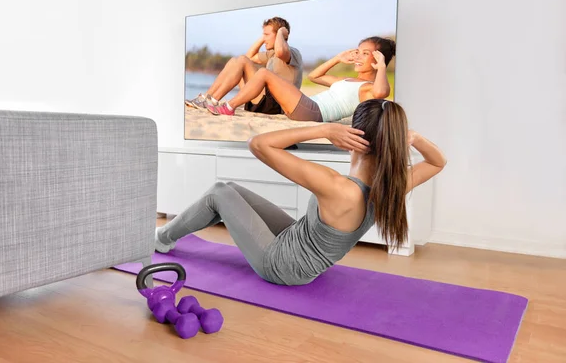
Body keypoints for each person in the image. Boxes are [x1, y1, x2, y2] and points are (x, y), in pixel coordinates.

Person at [155, 99, 447, 286]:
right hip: (300, 249)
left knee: (219, 192)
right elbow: (437, 162)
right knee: (231, 189)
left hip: (282, 266)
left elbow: (258, 144)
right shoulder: (392, 185)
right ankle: (171, 234)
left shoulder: (338, 187)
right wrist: (416, 138)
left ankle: (163, 239)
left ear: (352, 138)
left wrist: (322, 130)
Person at [207, 36, 395, 122]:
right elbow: (314, 76)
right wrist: (338, 58)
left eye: (366, 53)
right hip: (306, 105)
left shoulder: (368, 88)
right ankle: (218, 101)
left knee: (264, 74)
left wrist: (381, 68)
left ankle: (229, 107)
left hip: (314, 112)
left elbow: (381, 92)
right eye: (358, 51)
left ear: (378, 58)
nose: (358, 56)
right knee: (253, 68)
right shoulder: (347, 80)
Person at [185, 17, 303, 115]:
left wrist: (281, 32)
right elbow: (250, 56)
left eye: (267, 35)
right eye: (263, 35)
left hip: (276, 105)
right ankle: (207, 98)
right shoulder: (272, 54)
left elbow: (281, 51)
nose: (264, 39)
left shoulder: (291, 52)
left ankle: (213, 100)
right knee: (234, 61)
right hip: (264, 101)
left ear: (279, 35)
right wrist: (264, 38)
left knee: (242, 60)